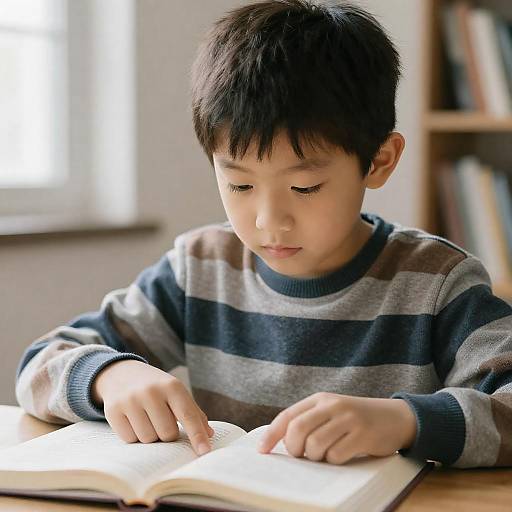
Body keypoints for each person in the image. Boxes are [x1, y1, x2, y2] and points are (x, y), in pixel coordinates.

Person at [15, 0, 512, 468]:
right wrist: (110, 375)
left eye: (305, 186)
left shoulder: (438, 283)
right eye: (239, 184)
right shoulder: (201, 268)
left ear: (379, 161)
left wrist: (407, 422)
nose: (268, 221)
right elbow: (40, 364)